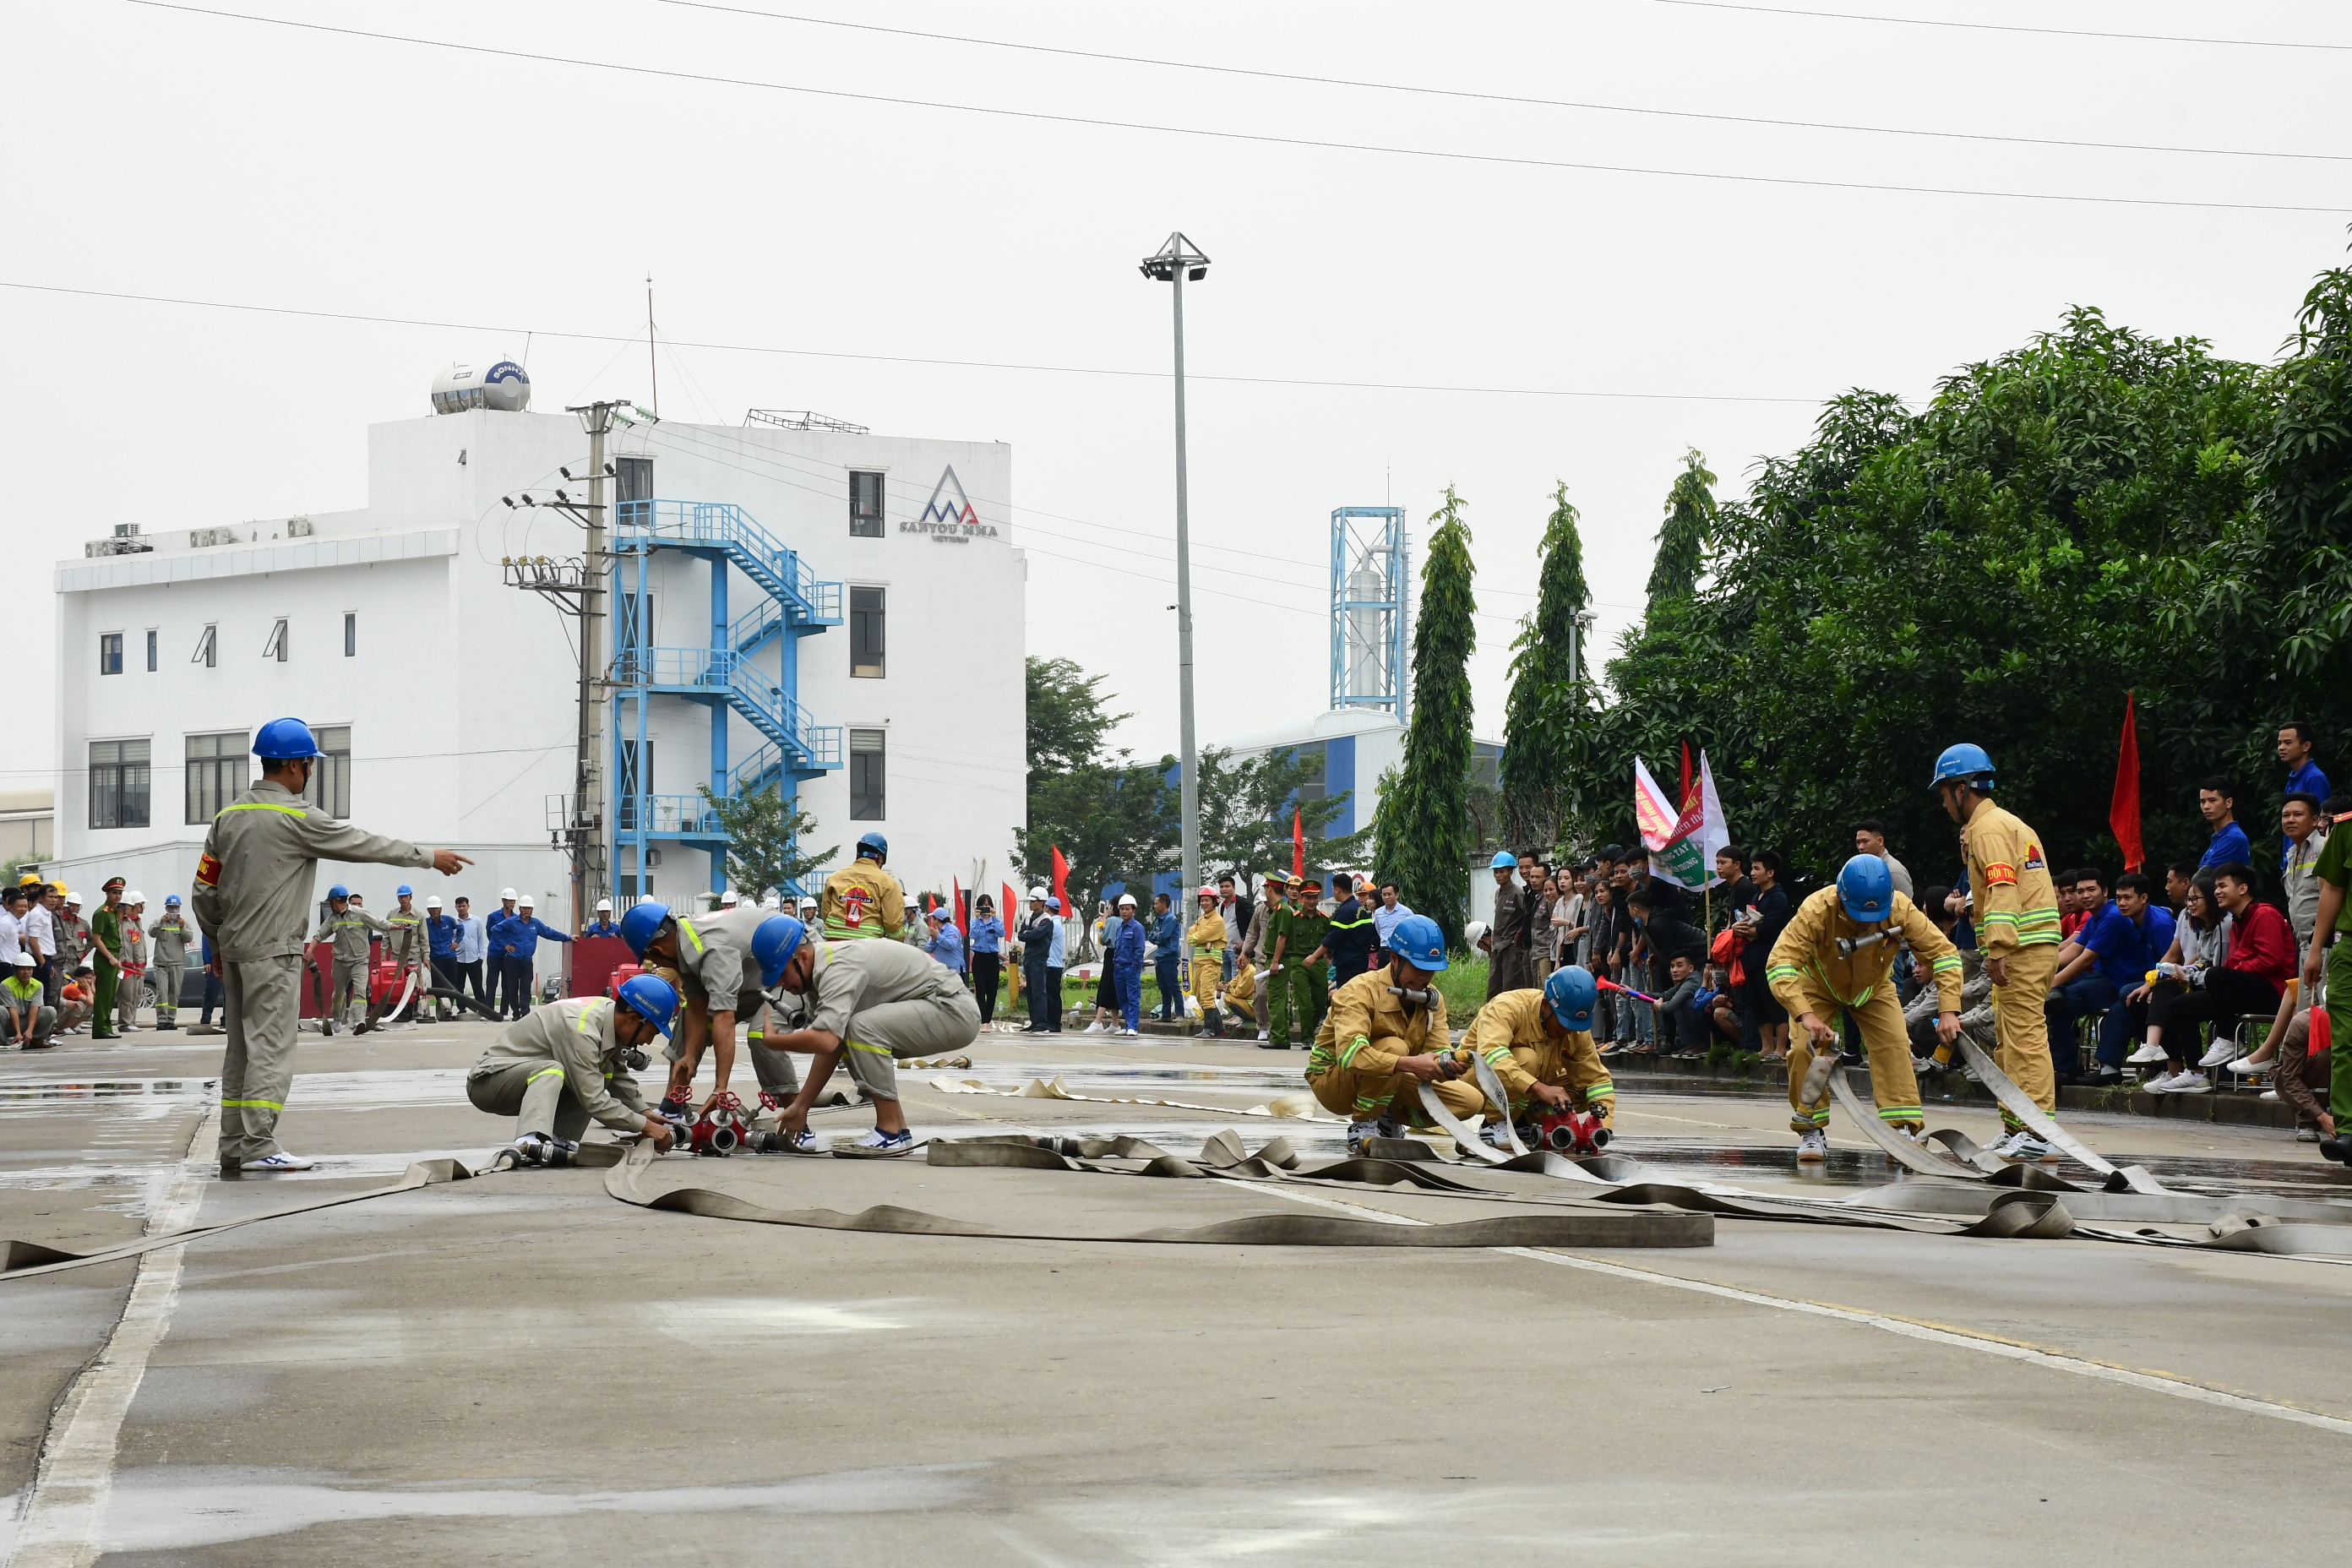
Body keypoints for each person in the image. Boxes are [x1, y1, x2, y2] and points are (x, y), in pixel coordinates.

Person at [192, 716, 467, 1173]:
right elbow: (362, 843)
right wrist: (427, 857)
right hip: (273, 952)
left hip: (237, 951)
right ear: (298, 765)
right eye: (311, 765)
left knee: (240, 1049)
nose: (311, 773)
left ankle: (235, 1144)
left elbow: (204, 890)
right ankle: (260, 1145)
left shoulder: (227, 818)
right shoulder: (297, 817)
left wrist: (218, 944)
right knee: (271, 1048)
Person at [1768, 854, 1963, 1162]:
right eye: (1857, 914)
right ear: (1841, 896)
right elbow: (1780, 964)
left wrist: (1950, 1009)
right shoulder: (1816, 910)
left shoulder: (1900, 908)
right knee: (1802, 1048)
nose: (1865, 923)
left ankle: (1902, 1131)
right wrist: (1805, 1015)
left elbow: (1944, 955)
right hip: (1818, 985)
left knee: (1896, 1047)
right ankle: (1811, 1129)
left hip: (1874, 986)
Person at [1931, 743, 2065, 1158]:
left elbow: (2002, 887)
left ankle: (2039, 1133)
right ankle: (2016, 1127)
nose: (1943, 803)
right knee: (2008, 1040)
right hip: (2029, 945)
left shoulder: (1988, 829)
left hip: (2021, 948)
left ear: (1960, 788)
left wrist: (1999, 947)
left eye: (1943, 793)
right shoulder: (2004, 824)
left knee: (2023, 1039)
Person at [758, 913, 983, 1157]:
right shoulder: (817, 974)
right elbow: (832, 1046)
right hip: (942, 1007)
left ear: (802, 958)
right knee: (853, 1032)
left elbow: (825, 1039)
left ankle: (890, 1132)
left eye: (781, 974)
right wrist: (801, 1106)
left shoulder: (838, 968)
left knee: (861, 1028)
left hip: (952, 1009)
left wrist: (775, 1042)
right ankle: (897, 1129)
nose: (780, 983)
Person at [1304, 913, 1478, 1153]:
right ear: (1395, 959)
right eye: (1418, 968)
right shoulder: (1359, 990)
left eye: (1431, 970)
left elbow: (1437, 1050)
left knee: (1469, 1101)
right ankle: (1364, 1126)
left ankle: (1388, 1118)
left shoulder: (1432, 999)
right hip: (1335, 1081)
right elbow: (1350, 1055)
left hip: (1392, 1077)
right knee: (1395, 1047)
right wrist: (1410, 1064)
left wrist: (1446, 1065)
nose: (1424, 978)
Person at [466, 972, 680, 1166]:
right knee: (552, 1070)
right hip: (489, 1083)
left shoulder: (609, 1016)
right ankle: (530, 1141)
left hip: (525, 1082)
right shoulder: (580, 1030)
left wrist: (645, 1113)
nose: (648, 1041)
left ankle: (561, 1139)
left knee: (601, 1071)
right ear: (633, 1018)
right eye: (651, 1032)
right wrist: (646, 1126)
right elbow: (594, 1100)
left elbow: (617, 1073)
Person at [2136, 863, 2291, 1092]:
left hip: (2273, 991)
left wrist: (2234, 970)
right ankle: (2195, 1074)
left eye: (2222, 886)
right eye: (2216, 886)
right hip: (2241, 989)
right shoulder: (2238, 921)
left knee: (2217, 975)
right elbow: (2232, 963)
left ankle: (2229, 1039)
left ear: (2242, 888)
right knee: (2179, 1006)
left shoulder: (2264, 914)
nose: (2217, 891)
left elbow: (2271, 960)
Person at [618, 899, 774, 1119]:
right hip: (750, 979)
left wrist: (721, 1088)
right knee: (686, 1018)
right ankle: (672, 1107)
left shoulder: (711, 950)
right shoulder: (684, 943)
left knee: (761, 1033)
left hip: (787, 975)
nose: (659, 966)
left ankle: (797, 1118)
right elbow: (698, 1008)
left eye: (652, 959)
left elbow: (724, 1016)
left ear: (657, 949)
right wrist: (689, 1055)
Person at [1451, 965, 1616, 1146]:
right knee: (1526, 1060)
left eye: (1575, 1026)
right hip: (1475, 1081)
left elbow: (1596, 1080)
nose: (1569, 1031)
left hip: (1522, 1094)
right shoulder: (1506, 1007)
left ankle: (1525, 1123)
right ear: (1546, 1006)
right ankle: (1493, 1126)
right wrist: (1538, 1088)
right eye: (1563, 1024)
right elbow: (1492, 1056)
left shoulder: (1574, 1028)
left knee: (1580, 1089)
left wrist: (1603, 1126)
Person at [2050, 871, 2174, 1086]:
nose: (2085, 896)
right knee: (2057, 996)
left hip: (2122, 982)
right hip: (2108, 978)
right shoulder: (2098, 918)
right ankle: (2068, 1066)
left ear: (2104, 892)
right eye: (2081, 891)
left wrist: (2051, 983)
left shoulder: (2115, 917)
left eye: (2091, 890)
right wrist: (2043, 976)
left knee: (2061, 1000)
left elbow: (2087, 959)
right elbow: (2074, 951)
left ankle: (2075, 1067)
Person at [1737, 852, 1794, 1059]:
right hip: (1752, 957)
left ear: (1770, 873)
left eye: (1757, 868)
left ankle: (1781, 1048)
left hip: (1770, 958)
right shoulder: (1756, 896)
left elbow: (1771, 927)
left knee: (1774, 1003)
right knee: (1758, 1004)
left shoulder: (1778, 896)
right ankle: (1766, 1047)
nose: (1752, 873)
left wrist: (1746, 931)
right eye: (1752, 868)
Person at [1267, 874, 1330, 1049]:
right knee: (1304, 1002)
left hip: (1317, 961)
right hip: (1298, 961)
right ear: (1302, 898)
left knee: (1320, 1000)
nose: (1312, 901)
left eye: (1315, 897)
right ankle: (1307, 1038)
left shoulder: (1325, 918)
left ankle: (1310, 1029)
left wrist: (1327, 961)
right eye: (1308, 897)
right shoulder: (1293, 917)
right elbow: (1284, 938)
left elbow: (1329, 941)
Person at [310, 886, 379, 1030]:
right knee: (339, 994)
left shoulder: (361, 915)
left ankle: (359, 1020)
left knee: (360, 991)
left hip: (360, 961)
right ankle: (337, 1017)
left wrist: (397, 927)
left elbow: (380, 923)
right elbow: (319, 935)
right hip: (340, 962)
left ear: (334, 901)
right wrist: (309, 950)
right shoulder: (332, 919)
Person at [493, 894, 570, 1020]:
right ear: (520, 909)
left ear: (532, 909)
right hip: (512, 960)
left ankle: (525, 1013)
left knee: (526, 987)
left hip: (527, 961)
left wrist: (567, 937)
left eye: (529, 908)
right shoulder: (512, 922)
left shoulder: (536, 923)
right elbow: (495, 930)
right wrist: (505, 945)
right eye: (524, 908)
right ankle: (515, 1013)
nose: (526, 910)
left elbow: (549, 932)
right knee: (512, 988)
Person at [820, 831, 906, 942]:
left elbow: (826, 913)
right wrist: (896, 940)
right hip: (868, 948)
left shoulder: (834, 878)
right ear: (880, 859)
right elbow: (892, 923)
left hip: (835, 945)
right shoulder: (888, 883)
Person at [1482, 852, 1534, 999]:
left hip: (1512, 948)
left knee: (1510, 989)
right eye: (1496, 872)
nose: (1498, 875)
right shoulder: (1499, 893)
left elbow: (1527, 918)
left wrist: (1519, 934)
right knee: (1493, 989)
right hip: (1498, 947)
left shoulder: (1518, 893)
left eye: (1502, 872)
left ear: (1510, 872)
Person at [1242, 870, 1287, 1043]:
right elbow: (1252, 933)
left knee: (1279, 998)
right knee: (1260, 994)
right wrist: (1246, 952)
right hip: (1262, 959)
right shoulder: (1260, 910)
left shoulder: (1285, 911)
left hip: (1281, 962)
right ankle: (1263, 1026)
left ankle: (1280, 1029)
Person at [2280, 792, 2328, 950]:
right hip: (2302, 945)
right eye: (2286, 815)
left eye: (2298, 815)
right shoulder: (2291, 855)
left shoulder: (2324, 847)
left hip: (2325, 943)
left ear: (2315, 820)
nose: (2290, 820)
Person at [1017, 889, 1061, 1033]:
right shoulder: (1029, 918)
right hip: (1029, 958)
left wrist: (1028, 934)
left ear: (1042, 903)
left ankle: (1042, 1021)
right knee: (1030, 991)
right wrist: (1029, 934)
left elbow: (1036, 934)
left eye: (1033, 901)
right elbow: (1021, 935)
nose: (1031, 904)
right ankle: (1034, 1021)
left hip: (1039, 959)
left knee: (1039, 991)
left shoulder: (1046, 919)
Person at [1186, 885, 1228, 1037]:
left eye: (1207, 900)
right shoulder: (1201, 920)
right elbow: (1190, 938)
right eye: (1202, 900)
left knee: (1207, 995)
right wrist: (1199, 937)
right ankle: (1220, 1028)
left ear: (1214, 902)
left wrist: (1198, 937)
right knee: (1198, 995)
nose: (1204, 903)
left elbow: (1199, 937)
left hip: (1211, 962)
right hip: (1200, 963)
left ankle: (1209, 1029)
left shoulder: (1217, 921)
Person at [89, 878, 127, 1041]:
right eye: (114, 893)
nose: (117, 896)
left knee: (110, 995)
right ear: (107, 893)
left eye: (120, 893)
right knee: (104, 995)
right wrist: (111, 957)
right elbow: (96, 939)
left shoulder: (113, 912)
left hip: (114, 956)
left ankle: (106, 1027)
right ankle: (100, 1029)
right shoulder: (102, 913)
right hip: (105, 957)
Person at [1321, 878, 1379, 983]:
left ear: (1337, 890)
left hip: (1349, 963)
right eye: (1360, 895)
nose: (1362, 898)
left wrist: (1314, 956)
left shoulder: (1347, 911)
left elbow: (1332, 937)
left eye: (1365, 895)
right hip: (1359, 961)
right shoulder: (1360, 910)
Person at [150, 894, 191, 1031]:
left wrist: (182, 927)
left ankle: (171, 1019)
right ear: (166, 908)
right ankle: (161, 1020)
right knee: (162, 992)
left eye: (176, 908)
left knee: (174, 993)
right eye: (171, 908)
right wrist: (160, 922)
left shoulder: (183, 923)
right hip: (161, 963)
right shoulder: (159, 922)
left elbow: (188, 938)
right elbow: (152, 933)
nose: (173, 911)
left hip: (177, 963)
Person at [1109, 892, 1146, 1037]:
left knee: (1133, 997)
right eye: (1122, 909)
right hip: (1118, 967)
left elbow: (1139, 949)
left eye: (1127, 909)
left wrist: (1135, 967)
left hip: (1131, 967)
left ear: (1133, 910)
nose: (1124, 912)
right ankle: (1127, 1024)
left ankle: (1133, 1026)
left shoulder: (1137, 928)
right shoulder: (1120, 928)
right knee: (1122, 998)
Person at [3, 952, 53, 1049]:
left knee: (50, 1011)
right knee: (1, 1010)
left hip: (26, 1022)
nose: (26, 972)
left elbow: (34, 1009)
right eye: (22, 969)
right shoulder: (6, 985)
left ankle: (36, 1040)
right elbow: (12, 1009)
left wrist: (29, 1031)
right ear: (15, 970)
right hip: (10, 1023)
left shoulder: (38, 985)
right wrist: (18, 1032)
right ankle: (4, 1041)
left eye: (29, 969)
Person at [2198, 777, 2251, 868]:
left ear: (2229, 803)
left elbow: (2204, 878)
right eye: (2203, 802)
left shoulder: (2233, 837)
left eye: (2212, 800)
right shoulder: (2220, 837)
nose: (2206, 806)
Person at [968, 895, 1005, 1026]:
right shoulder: (974, 922)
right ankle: (983, 1020)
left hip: (992, 958)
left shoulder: (996, 921)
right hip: (979, 957)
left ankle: (988, 1019)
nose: (985, 908)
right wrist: (978, 919)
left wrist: (994, 918)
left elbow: (1001, 933)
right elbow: (973, 935)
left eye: (987, 905)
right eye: (982, 906)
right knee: (981, 989)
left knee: (992, 990)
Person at [1854, 820, 1914, 900]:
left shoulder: (1893, 871)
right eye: (1858, 843)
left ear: (1880, 841)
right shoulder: (1861, 870)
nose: (1861, 847)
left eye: (1865, 841)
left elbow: (1906, 908)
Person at [449, 895, 489, 1013]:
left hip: (474, 959)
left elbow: (480, 939)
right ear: (456, 907)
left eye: (464, 906)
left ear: (468, 906)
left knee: (478, 987)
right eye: (459, 906)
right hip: (458, 959)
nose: (461, 908)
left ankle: (482, 1009)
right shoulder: (453, 921)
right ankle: (461, 1009)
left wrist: (481, 956)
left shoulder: (476, 921)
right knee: (458, 986)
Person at [2280, 721, 2331, 804]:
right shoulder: (2293, 778)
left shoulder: (2315, 778)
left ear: (2306, 746)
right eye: (2279, 743)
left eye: (2288, 743)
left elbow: (2320, 815)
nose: (2281, 747)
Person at [1149, 891, 1182, 1021]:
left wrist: (1159, 936)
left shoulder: (1170, 919)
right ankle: (1166, 1014)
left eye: (1157, 903)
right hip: (1160, 957)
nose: (1155, 906)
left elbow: (1162, 937)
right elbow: (1152, 937)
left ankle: (1180, 1014)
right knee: (1164, 987)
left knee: (1173, 986)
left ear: (1163, 904)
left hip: (1169, 956)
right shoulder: (1159, 920)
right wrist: (1159, 935)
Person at [1369, 880, 1414, 970]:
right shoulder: (1378, 912)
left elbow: (1412, 931)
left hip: (1399, 951)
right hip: (1383, 951)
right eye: (1384, 895)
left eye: (1389, 894)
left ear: (1397, 895)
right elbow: (1379, 931)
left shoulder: (1406, 912)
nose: (1386, 897)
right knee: (1383, 978)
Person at [923, 904, 966, 975]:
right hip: (941, 971)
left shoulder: (952, 929)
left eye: (933, 918)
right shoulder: (936, 931)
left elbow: (951, 945)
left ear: (937, 920)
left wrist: (938, 936)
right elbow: (927, 949)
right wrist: (933, 940)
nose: (931, 920)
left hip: (954, 970)